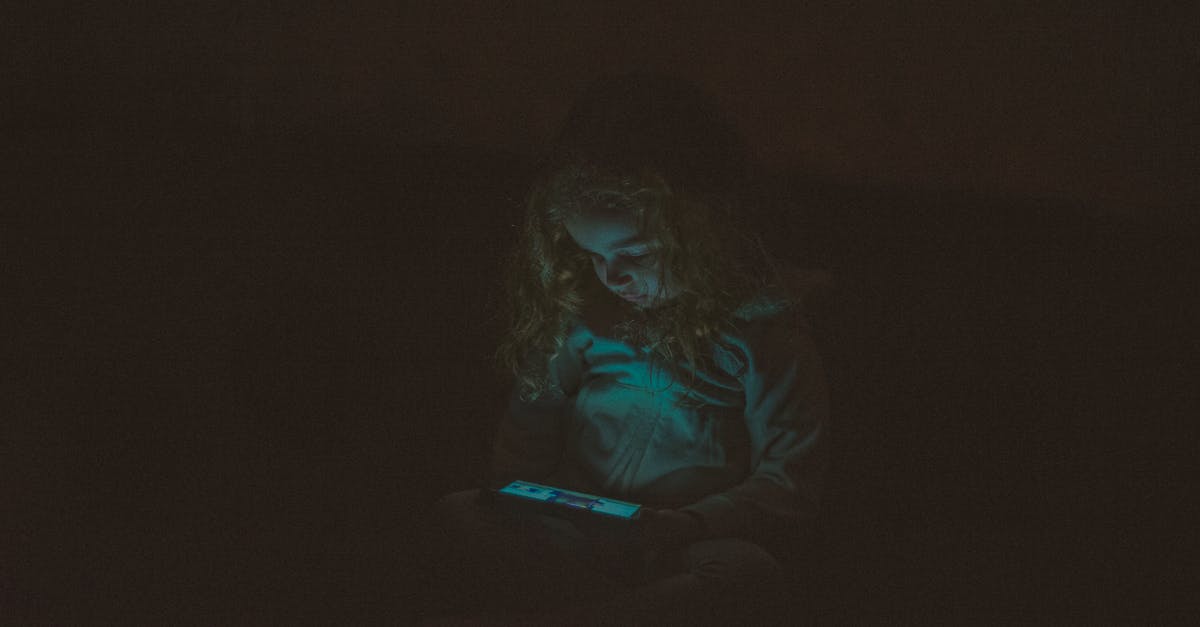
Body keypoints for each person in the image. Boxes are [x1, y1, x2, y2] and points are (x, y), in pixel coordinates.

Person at [420, 73, 829, 626]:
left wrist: (691, 524)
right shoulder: (586, 316)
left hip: (677, 543)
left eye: (636, 252)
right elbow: (529, 424)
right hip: (570, 534)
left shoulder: (766, 335)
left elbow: (789, 483)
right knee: (458, 513)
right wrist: (520, 501)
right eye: (592, 255)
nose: (611, 275)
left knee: (746, 573)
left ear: (705, 228)